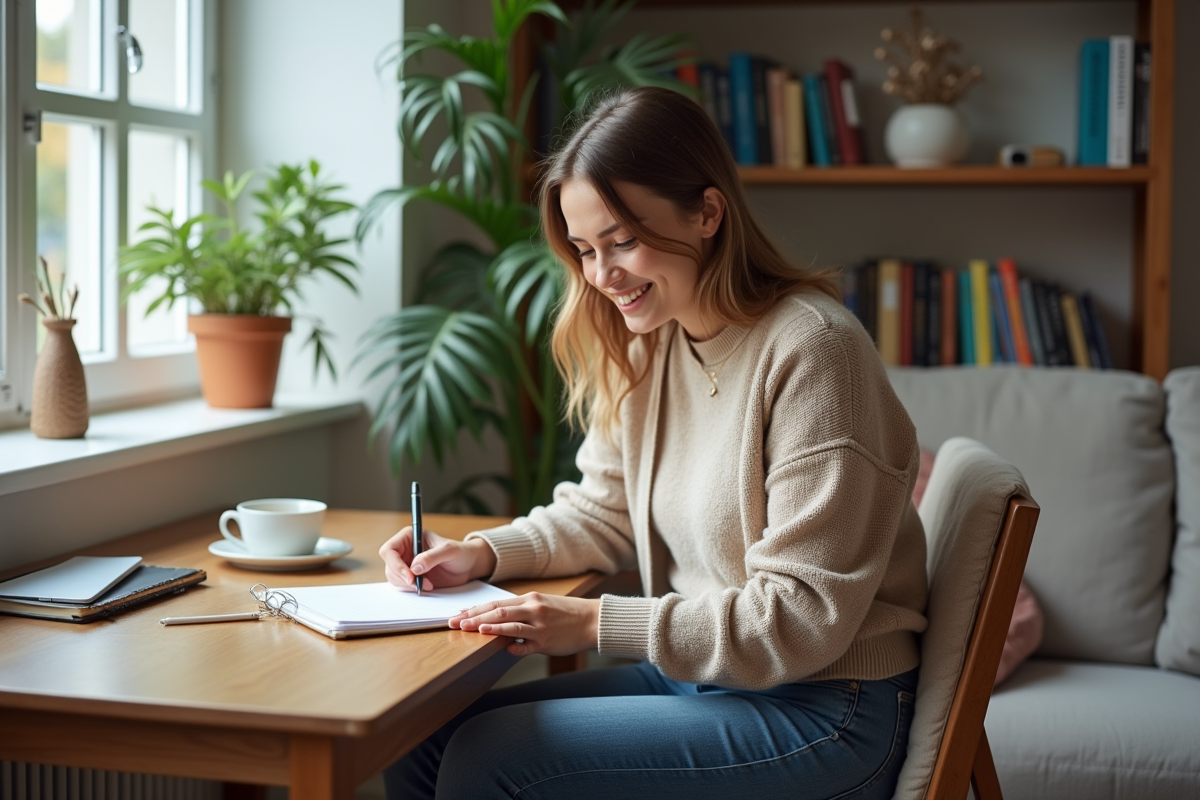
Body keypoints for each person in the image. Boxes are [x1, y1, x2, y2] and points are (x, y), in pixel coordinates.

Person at [379, 86, 928, 800]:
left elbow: (799, 619)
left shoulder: (816, 352)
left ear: (707, 212)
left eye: (623, 242)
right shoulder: (651, 342)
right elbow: (602, 510)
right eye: (583, 250)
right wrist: (483, 553)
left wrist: (592, 623)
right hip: (709, 679)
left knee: (493, 760)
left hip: (829, 708)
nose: (602, 278)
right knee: (425, 740)